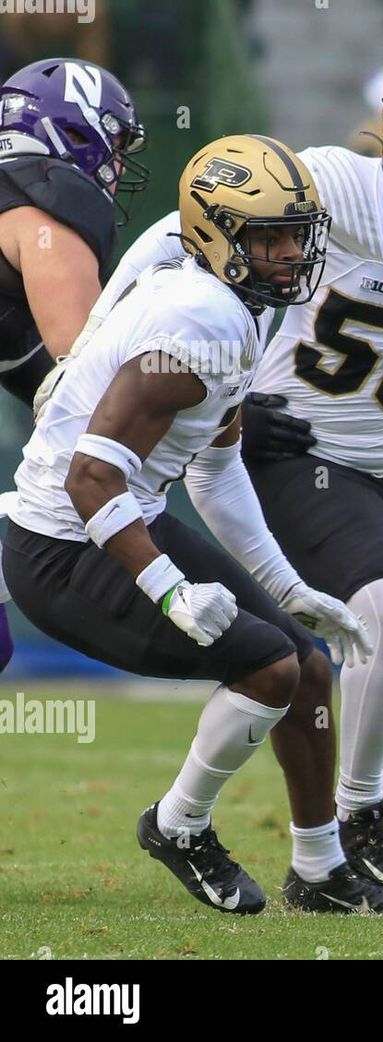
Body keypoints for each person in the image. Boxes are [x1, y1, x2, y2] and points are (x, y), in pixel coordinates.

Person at [80, 50, 383, 899]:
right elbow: (181, 231)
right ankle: (352, 823)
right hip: (295, 445)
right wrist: (94, 344)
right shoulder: (335, 185)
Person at [3, 134, 383, 916]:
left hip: (118, 515)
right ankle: (179, 824)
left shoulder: (228, 297)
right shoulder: (199, 321)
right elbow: (90, 476)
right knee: (267, 671)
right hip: (63, 544)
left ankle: (321, 869)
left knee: (304, 667)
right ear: (214, 234)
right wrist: (169, 591)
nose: (286, 255)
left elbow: (215, 461)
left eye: (294, 235)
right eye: (266, 238)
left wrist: (288, 586)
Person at [0, 57, 145, 674]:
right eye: (110, 145)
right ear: (73, 136)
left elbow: (38, 372)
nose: (115, 166)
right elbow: (87, 382)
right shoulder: (47, 216)